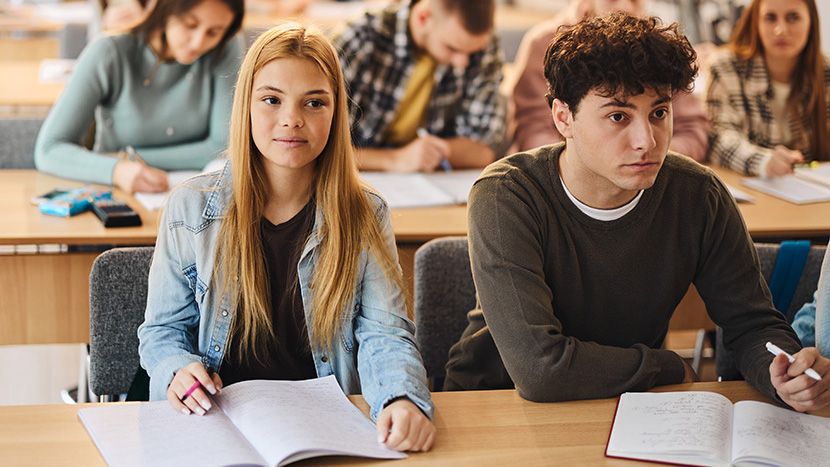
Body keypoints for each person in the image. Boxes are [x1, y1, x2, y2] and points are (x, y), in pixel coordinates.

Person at [444, 13, 830, 413]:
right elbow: (541, 369)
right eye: (618, 116)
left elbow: (753, 326)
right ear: (563, 118)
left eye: (659, 113)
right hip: (495, 402)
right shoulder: (507, 195)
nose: (647, 141)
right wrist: (665, 365)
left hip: (628, 406)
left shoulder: (699, 195)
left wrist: (785, 372)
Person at [137, 24, 436, 452]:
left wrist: (402, 397)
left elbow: (384, 334)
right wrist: (177, 370)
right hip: (214, 426)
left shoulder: (366, 214)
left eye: (314, 103)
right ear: (246, 106)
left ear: (336, 114)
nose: (292, 119)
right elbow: (162, 332)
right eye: (272, 100)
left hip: (324, 429)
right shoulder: (189, 209)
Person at [35, 0, 245, 193]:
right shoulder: (109, 52)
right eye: (190, 25)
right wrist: (117, 170)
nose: (198, 42)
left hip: (191, 196)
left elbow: (225, 146)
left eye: (214, 32)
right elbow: (49, 149)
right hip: (118, 193)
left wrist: (129, 158)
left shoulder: (225, 48)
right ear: (163, 8)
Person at [509, 0, 709, 160]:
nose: (625, 7)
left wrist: (646, 156)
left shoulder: (658, 50)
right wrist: (598, 162)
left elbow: (693, 130)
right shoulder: (545, 45)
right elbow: (532, 134)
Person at [331, 0, 506, 172]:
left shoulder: (479, 42)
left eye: (472, 52)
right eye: (451, 48)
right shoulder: (358, 41)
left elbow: (484, 148)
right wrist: (395, 159)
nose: (462, 62)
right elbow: (320, 151)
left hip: (432, 184)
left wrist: (431, 153)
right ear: (423, 17)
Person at [705, 0, 830, 177]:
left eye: (793, 17)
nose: (781, 30)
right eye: (770, 18)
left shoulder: (825, 72)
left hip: (813, 191)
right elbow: (718, 138)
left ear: (811, 22)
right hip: (752, 188)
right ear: (756, 22)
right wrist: (763, 161)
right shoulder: (725, 67)